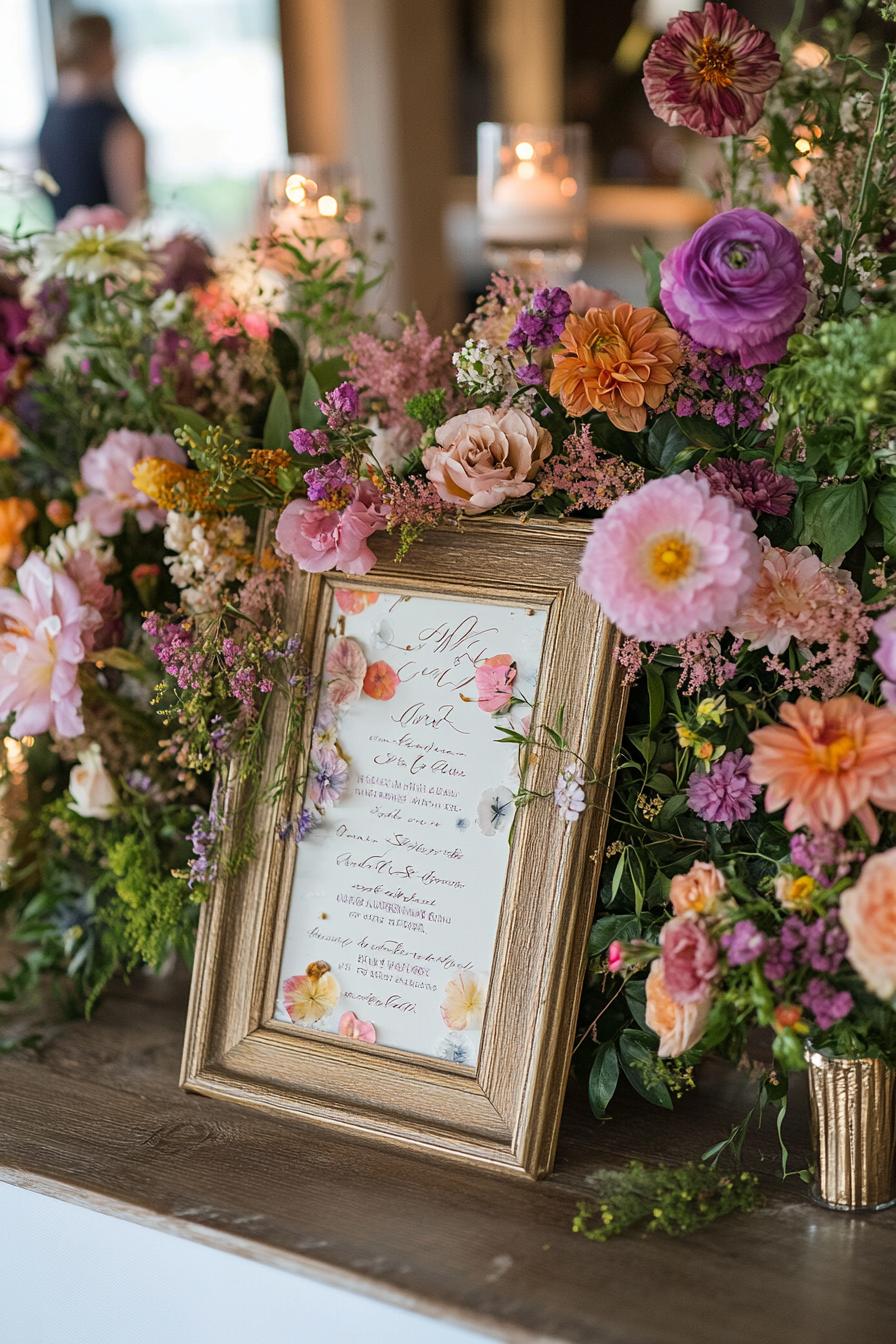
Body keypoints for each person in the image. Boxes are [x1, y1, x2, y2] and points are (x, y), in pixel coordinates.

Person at [38, 11, 146, 222]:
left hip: (61, 245)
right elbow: (133, 207)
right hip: (109, 250)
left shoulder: (51, 114)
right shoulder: (113, 122)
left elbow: (43, 183)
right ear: (102, 50)